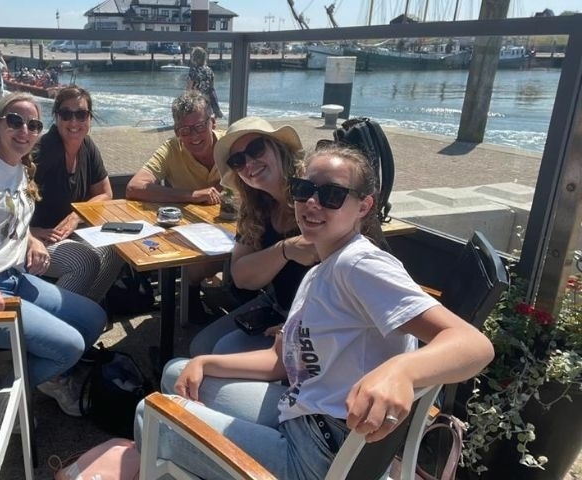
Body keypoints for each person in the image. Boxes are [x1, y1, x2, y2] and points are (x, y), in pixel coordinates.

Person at [134, 143, 495, 479]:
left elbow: (474, 345)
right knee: (178, 372)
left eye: (332, 195)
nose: (312, 203)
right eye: (304, 190)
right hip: (304, 413)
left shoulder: (359, 265)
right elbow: (281, 363)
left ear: (364, 206)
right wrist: (206, 363)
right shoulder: (322, 266)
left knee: (149, 413)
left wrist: (400, 370)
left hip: (318, 455)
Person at [0, 91, 108, 417]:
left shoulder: (20, 169)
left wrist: (30, 241)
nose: (25, 130)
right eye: (15, 121)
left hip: (15, 277)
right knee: (71, 345)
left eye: (33, 124)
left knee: (94, 319)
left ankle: (47, 375)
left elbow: (11, 224)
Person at [189, 117, 318, 356]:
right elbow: (241, 277)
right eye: (238, 160)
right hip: (279, 306)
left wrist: (305, 326)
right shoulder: (256, 207)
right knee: (200, 347)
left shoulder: (313, 193)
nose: (249, 162)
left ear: (277, 147)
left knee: (218, 352)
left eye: (256, 149)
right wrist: (285, 249)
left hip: (319, 319)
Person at [125, 90, 225, 323]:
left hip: (235, 224)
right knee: (200, 263)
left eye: (200, 126)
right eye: (185, 130)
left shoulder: (232, 145)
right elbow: (134, 187)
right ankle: (190, 296)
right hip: (193, 231)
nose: (194, 136)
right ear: (177, 132)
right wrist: (191, 195)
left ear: (213, 122)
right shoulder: (171, 149)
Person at [30, 85, 123, 304]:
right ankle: (56, 325)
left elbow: (105, 193)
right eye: (66, 114)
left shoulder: (87, 147)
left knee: (118, 249)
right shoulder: (40, 152)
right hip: (37, 238)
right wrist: (30, 231)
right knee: (84, 261)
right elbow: (8, 204)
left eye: (81, 114)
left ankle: (86, 314)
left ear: (90, 117)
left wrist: (75, 215)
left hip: (70, 234)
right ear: (56, 116)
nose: (74, 122)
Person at [186, 46, 223, 118]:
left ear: (194, 58)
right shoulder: (209, 70)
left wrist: (186, 100)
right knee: (206, 120)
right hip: (207, 100)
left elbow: (189, 88)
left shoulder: (193, 70)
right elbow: (212, 87)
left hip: (196, 99)